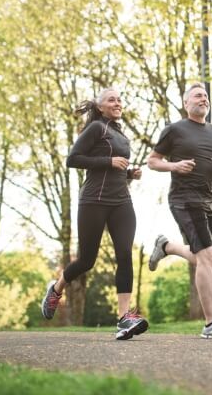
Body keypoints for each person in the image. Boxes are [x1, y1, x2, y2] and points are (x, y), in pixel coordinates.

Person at [41, 87, 148, 341]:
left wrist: (129, 174)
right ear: (100, 107)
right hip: (93, 201)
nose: (117, 102)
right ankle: (56, 288)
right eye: (111, 99)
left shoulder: (120, 133)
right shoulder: (96, 128)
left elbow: (114, 169)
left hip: (121, 201)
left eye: (120, 99)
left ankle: (124, 318)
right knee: (87, 260)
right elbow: (73, 159)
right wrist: (109, 163)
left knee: (125, 254)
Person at [147, 82, 212, 339]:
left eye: (206, 96)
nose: (204, 99)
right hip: (184, 199)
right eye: (198, 96)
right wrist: (174, 166)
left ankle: (167, 247)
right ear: (186, 103)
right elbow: (152, 161)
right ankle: (211, 324)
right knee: (208, 257)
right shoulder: (174, 130)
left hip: (210, 201)